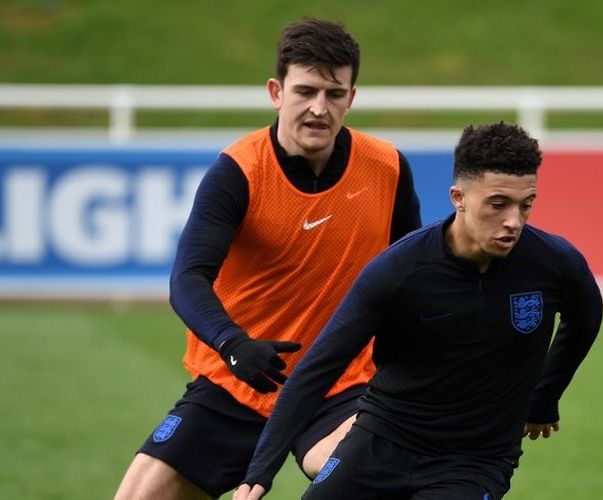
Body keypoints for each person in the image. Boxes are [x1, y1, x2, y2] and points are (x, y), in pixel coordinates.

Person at [114, 18, 421, 500]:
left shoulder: (387, 167)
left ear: (352, 98)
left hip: (340, 384)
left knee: (360, 478)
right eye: (306, 91)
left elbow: (412, 279)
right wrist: (233, 343)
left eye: (334, 93)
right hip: (238, 380)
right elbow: (188, 277)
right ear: (277, 92)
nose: (319, 108)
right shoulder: (238, 171)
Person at [233, 122, 603, 500]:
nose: (514, 221)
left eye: (526, 205)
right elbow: (318, 367)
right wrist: (259, 471)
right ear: (458, 197)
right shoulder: (399, 269)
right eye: (498, 204)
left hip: (474, 462)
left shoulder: (555, 263)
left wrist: (545, 395)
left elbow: (587, 317)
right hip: (380, 441)